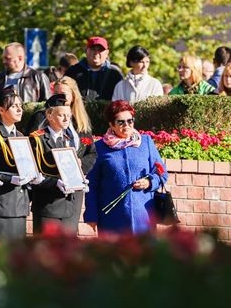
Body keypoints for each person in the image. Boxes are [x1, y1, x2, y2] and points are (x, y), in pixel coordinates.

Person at [83, 100, 168, 234]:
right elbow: (92, 185)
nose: (127, 125)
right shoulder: (99, 147)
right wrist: (91, 216)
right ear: (111, 124)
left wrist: (149, 182)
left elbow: (162, 173)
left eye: (130, 121)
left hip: (144, 216)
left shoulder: (146, 142)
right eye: (121, 122)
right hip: (112, 218)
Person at [29, 94, 94, 233]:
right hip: (48, 205)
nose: (66, 119)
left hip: (70, 205)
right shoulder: (37, 139)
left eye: (68, 115)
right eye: (61, 115)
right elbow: (32, 173)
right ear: (50, 115)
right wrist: (54, 183)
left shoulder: (69, 139)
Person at [0, 88, 36, 240]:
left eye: (20, 105)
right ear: (1, 110)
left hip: (20, 204)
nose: (19, 109)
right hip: (1, 204)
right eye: (14, 106)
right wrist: (10, 179)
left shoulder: (20, 136)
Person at [27, 76, 93, 138]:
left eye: (63, 94)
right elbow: (33, 142)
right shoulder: (41, 117)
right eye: (56, 94)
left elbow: (90, 148)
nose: (58, 97)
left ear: (73, 96)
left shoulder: (80, 119)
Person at [64, 36, 123, 101]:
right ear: (86, 50)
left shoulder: (115, 74)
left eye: (100, 50)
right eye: (93, 49)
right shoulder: (72, 72)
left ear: (107, 53)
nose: (96, 53)